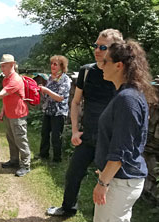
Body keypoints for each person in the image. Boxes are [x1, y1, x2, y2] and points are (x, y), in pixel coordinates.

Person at [47, 29, 124, 217]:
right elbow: (75, 102)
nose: (97, 50)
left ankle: (100, 215)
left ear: (115, 49)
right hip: (87, 135)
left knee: (108, 182)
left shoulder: (120, 73)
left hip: (110, 140)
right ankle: (68, 208)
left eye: (103, 47)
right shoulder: (87, 71)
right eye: (96, 45)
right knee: (73, 174)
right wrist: (74, 130)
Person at [93, 40, 158, 221]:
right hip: (120, 179)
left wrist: (103, 182)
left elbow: (121, 148)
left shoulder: (127, 99)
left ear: (119, 65)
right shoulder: (127, 94)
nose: (101, 66)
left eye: (106, 62)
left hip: (120, 182)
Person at [37, 55, 71, 163]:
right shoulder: (51, 78)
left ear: (62, 66)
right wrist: (43, 91)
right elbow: (48, 95)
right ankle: (43, 155)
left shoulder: (65, 79)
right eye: (51, 64)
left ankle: (57, 159)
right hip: (48, 110)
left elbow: (60, 97)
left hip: (59, 112)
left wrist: (46, 90)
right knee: (44, 133)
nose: (52, 66)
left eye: (55, 64)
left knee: (56, 136)